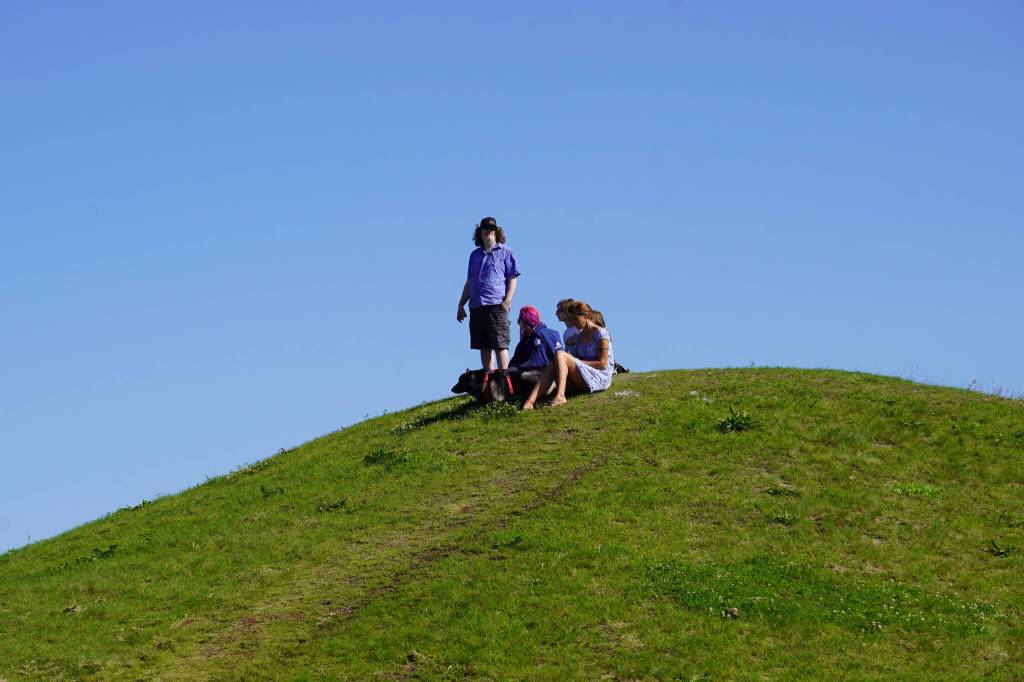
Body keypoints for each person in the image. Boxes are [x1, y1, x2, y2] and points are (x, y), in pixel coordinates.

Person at [522, 300, 614, 409]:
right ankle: (530, 402)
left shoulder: (601, 333)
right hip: (584, 377)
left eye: (575, 318)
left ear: (585, 316)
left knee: (560, 354)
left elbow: (602, 364)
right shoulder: (578, 336)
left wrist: (575, 361)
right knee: (554, 362)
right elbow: (571, 361)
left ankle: (560, 396)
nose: (573, 323)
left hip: (600, 378)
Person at [456, 217, 521, 371]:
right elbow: (470, 281)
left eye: (491, 229)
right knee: (483, 345)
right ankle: (489, 379)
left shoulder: (506, 252)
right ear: (480, 232)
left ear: (496, 232)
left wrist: (507, 301)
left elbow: (512, 277)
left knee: (500, 344)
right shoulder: (474, 255)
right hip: (477, 305)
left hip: (496, 304)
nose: (488, 232)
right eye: (485, 229)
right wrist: (461, 304)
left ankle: (504, 380)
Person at [509, 305, 563, 371]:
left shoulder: (537, 335)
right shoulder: (554, 332)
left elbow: (537, 361)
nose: (518, 323)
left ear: (526, 321)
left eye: (519, 320)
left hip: (543, 373)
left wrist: (517, 368)